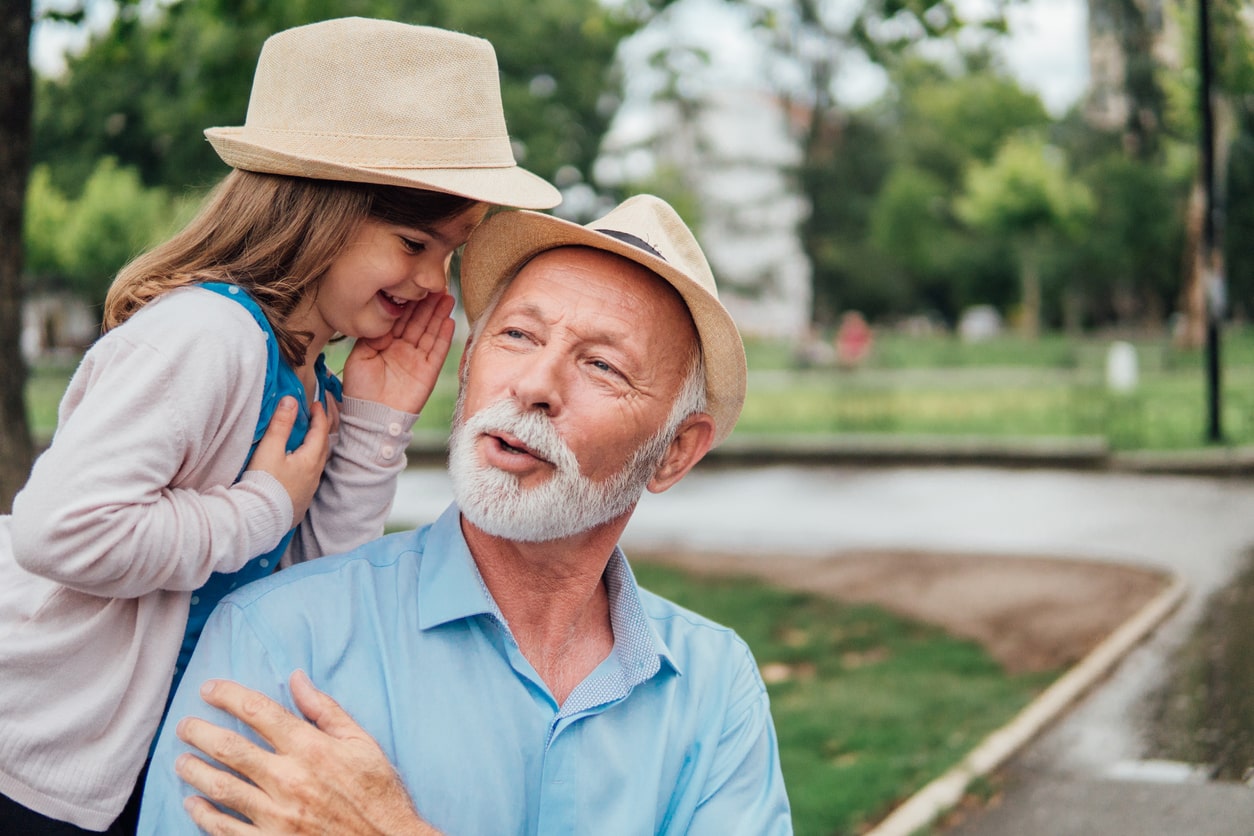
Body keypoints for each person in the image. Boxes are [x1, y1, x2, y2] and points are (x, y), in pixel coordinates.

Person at [0, 17, 559, 835]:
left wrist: (373, 423)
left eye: (449, 253)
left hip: (131, 776)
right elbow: (65, 533)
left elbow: (309, 587)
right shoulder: (206, 337)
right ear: (317, 211)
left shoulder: (306, 374)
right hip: (32, 758)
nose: (429, 280)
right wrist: (260, 506)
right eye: (412, 241)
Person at [139, 195, 793, 834]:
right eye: (516, 335)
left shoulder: (714, 688)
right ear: (470, 361)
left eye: (601, 365)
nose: (534, 385)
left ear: (674, 453)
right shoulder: (277, 638)